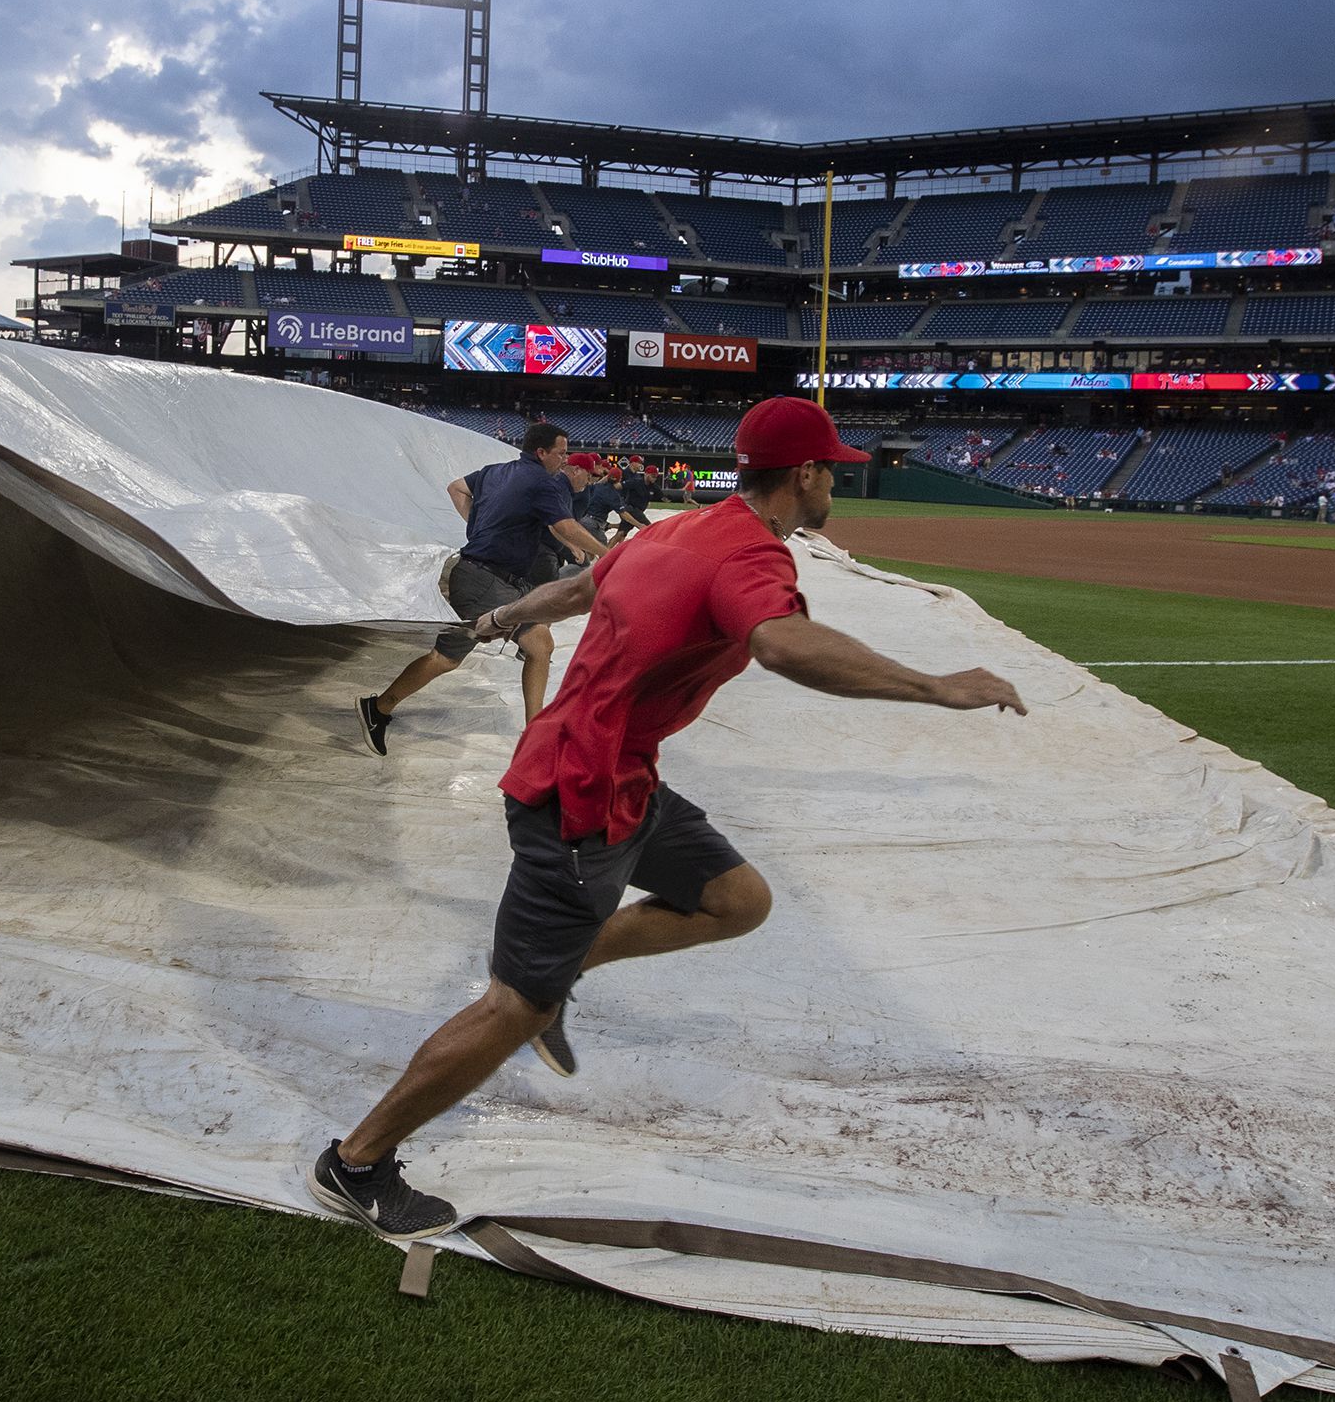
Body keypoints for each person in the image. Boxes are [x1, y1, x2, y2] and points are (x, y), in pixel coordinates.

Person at [311, 395, 1029, 1237]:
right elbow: (782, 644)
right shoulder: (751, 557)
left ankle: (569, 965)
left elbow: (580, 584)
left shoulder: (683, 528)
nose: (835, 481)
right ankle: (355, 1162)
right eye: (831, 468)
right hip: (576, 791)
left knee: (737, 900)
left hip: (624, 777)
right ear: (804, 475)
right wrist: (937, 687)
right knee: (516, 1007)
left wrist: (503, 616)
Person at [358, 421, 606, 752]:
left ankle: (535, 733)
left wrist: (477, 527)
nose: (564, 460)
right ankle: (377, 708)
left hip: (494, 578)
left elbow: (455, 488)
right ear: (541, 452)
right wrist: (609, 553)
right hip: (485, 582)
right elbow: (564, 525)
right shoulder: (541, 482)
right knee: (445, 658)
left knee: (539, 645)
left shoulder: (495, 471)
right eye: (561, 453)